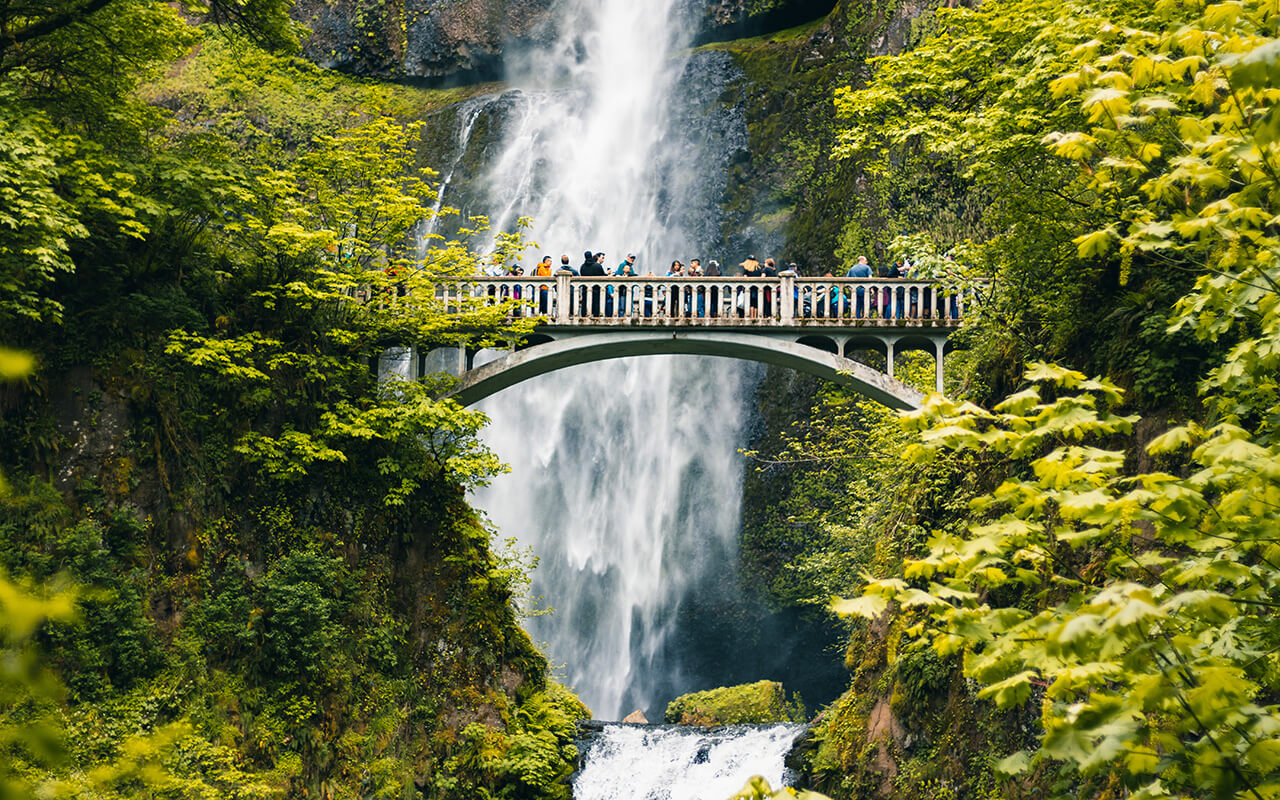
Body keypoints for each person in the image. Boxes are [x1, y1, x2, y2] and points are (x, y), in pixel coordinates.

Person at [581, 250, 606, 317]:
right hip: (596, 289)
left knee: (585, 302)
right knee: (596, 302)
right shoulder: (597, 266)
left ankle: (584, 315)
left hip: (585, 289)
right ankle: (596, 316)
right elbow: (603, 276)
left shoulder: (582, 266)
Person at [740, 254, 763, 319]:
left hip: (749, 288)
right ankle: (755, 316)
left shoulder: (747, 267)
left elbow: (745, 277)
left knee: (750, 303)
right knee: (756, 303)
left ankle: (751, 316)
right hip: (757, 288)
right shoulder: (758, 267)